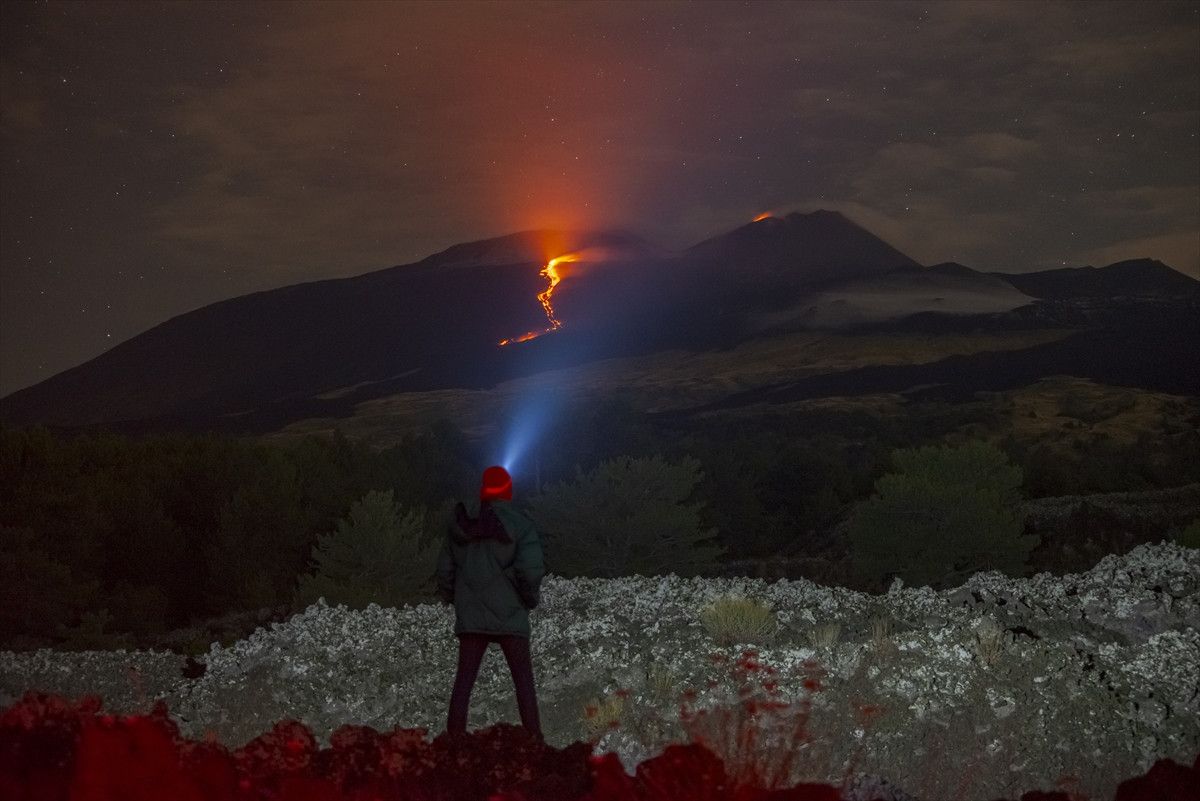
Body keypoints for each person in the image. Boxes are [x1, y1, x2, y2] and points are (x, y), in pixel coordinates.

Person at [436, 465, 546, 743]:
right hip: (510, 614)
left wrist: (453, 598)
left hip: (471, 616)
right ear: (508, 491)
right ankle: (534, 743)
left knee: (463, 684)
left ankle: (455, 743)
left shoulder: (461, 524)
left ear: (484, 491)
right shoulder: (521, 525)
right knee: (523, 683)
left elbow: (445, 570)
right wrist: (528, 600)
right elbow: (530, 570)